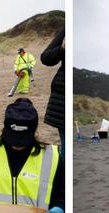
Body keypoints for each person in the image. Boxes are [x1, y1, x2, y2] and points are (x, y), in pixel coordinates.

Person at [40, 29, 65, 161]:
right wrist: (61, 49)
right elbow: (45, 58)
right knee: (66, 148)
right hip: (62, 96)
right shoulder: (67, 29)